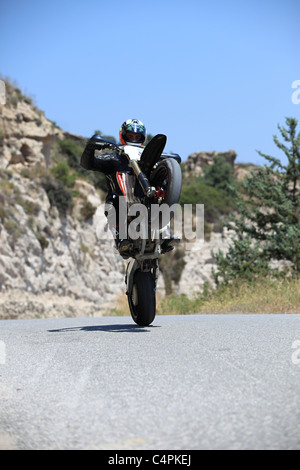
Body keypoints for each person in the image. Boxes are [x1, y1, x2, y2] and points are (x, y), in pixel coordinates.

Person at [80, 118, 179, 257]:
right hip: (122, 206)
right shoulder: (113, 158)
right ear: (123, 136)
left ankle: (166, 235)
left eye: (137, 136)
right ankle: (121, 240)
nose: (134, 138)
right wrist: (91, 147)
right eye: (130, 136)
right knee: (112, 201)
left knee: (161, 191)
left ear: (143, 138)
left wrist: (172, 163)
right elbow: (87, 164)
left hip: (147, 203)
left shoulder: (154, 160)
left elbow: (174, 164)